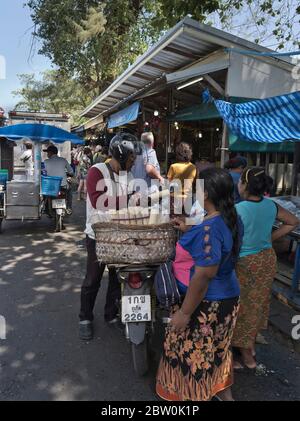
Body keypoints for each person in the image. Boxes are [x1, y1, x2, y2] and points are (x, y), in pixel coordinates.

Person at [156, 168, 243, 402]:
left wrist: (185, 312)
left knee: (192, 356)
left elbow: (204, 275)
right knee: (217, 351)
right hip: (228, 297)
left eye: (197, 189)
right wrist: (188, 228)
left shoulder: (209, 229)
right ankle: (224, 395)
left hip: (207, 304)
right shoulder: (230, 217)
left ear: (206, 194)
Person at [232, 167, 299, 369]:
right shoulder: (271, 206)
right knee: (258, 305)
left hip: (244, 262)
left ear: (244, 185)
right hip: (266, 260)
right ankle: (249, 347)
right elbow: (293, 222)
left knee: (240, 307)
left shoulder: (238, 209)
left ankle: (245, 355)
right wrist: (270, 238)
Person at [79, 132, 137, 341]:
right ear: (121, 156)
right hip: (98, 236)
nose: (133, 163)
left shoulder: (128, 175)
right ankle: (85, 318)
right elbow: (98, 201)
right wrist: (130, 199)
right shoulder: (97, 171)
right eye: (131, 159)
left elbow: (133, 203)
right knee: (93, 278)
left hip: (120, 235)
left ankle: (111, 315)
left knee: (116, 278)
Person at [43, 145, 74, 213]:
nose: (47, 154)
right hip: (63, 185)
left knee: (44, 193)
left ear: (51, 153)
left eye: (48, 153)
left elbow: (44, 172)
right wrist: (69, 174)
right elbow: (71, 171)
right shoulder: (63, 160)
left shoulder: (46, 162)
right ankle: (69, 207)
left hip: (51, 187)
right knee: (69, 191)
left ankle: (46, 208)